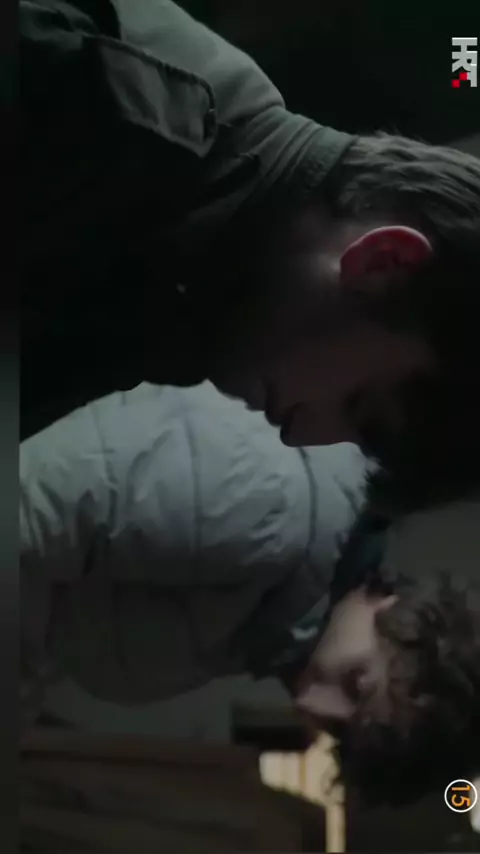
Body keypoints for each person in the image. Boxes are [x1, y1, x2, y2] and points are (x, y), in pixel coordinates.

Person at [21, 1, 480, 511]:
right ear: (384, 262)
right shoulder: (105, 114)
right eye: (360, 407)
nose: (302, 438)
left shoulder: (184, 291)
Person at [21, 382, 480, 804]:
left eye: (340, 730)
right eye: (355, 683)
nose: (311, 705)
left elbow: (56, 614)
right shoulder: (275, 514)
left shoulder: (280, 618)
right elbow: (33, 499)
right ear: (393, 605)